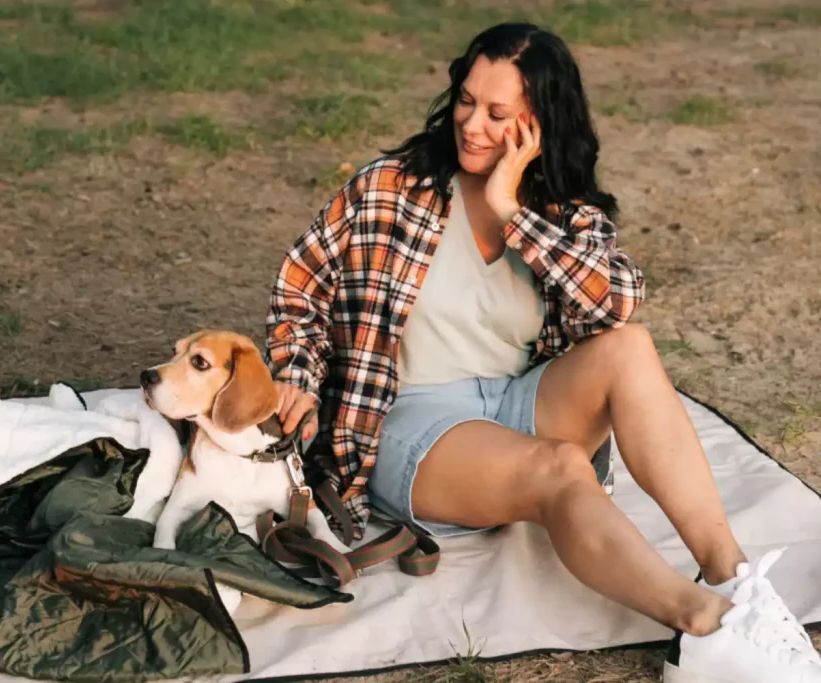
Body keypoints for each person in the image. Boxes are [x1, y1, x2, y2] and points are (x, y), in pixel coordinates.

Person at [262, 21, 820, 683]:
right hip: (409, 420)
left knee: (629, 348)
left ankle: (734, 580)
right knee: (561, 469)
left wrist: (510, 207)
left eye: (498, 114)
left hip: (513, 401)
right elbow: (298, 291)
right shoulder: (391, 188)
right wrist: (296, 375)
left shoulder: (562, 210)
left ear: (537, 124)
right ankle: (706, 624)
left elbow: (615, 303)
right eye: (466, 101)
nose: (470, 124)